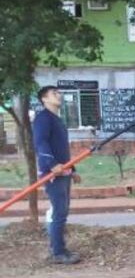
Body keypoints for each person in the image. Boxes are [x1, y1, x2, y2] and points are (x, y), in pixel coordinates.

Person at [32, 86, 82, 264]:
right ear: (44, 99)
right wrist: (52, 164)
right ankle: (57, 253)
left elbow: (63, 149)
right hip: (52, 174)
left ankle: (60, 248)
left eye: (59, 93)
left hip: (64, 172)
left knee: (62, 211)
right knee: (59, 212)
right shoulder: (43, 119)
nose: (59, 96)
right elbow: (40, 143)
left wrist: (73, 170)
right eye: (54, 93)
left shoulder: (57, 120)